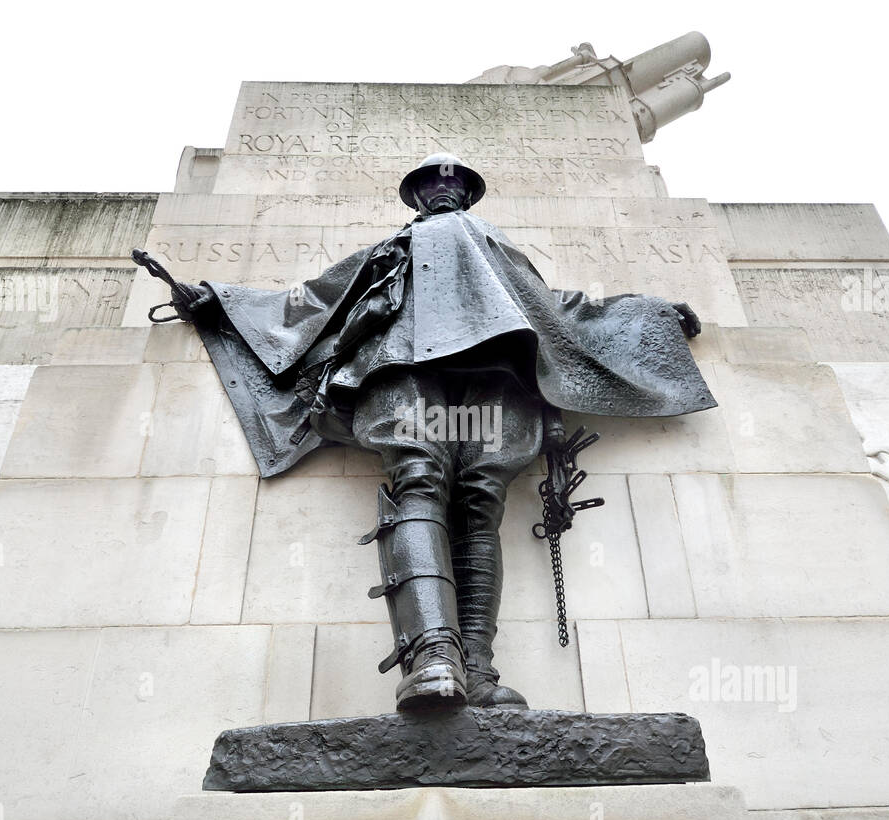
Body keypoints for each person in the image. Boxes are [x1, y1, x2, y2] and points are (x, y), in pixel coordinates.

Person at [151, 153, 715, 712]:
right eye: (429, 184)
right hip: (402, 365)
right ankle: (431, 656)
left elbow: (555, 309)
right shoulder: (389, 251)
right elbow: (315, 302)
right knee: (417, 477)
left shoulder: (491, 244)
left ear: (469, 194)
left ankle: (477, 666)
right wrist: (222, 302)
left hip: (496, 371)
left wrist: (647, 317)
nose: (442, 191)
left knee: (481, 498)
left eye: (453, 183)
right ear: (415, 195)